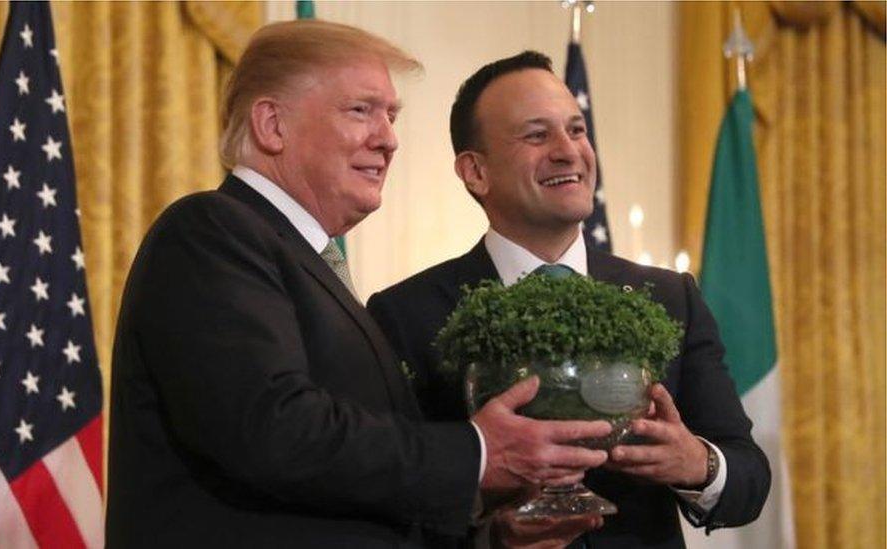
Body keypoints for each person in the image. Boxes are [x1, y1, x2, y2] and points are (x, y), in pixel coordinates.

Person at [105, 24, 613, 548]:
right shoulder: (211, 231)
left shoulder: (307, 262)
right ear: (271, 124)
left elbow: (350, 488)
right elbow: (275, 430)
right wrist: (479, 453)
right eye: (361, 111)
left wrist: (491, 536)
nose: (389, 139)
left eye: (391, 116)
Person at [367, 51, 771, 548]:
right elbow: (390, 502)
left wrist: (698, 463)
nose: (568, 151)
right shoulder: (406, 315)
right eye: (537, 136)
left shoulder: (671, 299)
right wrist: (488, 534)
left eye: (577, 131)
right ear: (475, 172)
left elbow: (749, 479)